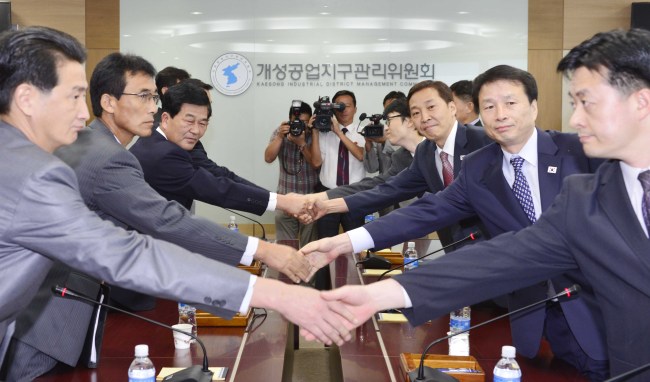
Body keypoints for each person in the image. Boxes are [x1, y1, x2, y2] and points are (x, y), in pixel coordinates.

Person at [0, 26, 354, 380]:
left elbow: (213, 183)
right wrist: (271, 291)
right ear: (27, 98)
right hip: (39, 330)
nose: (83, 111)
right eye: (74, 96)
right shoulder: (48, 170)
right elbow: (136, 247)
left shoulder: (39, 156)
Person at [307, 28, 650, 380]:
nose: (576, 118)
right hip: (565, 332)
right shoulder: (582, 195)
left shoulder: (583, 158)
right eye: (489, 106)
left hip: (601, 324)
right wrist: (380, 292)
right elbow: (506, 255)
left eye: (586, 102)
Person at [304, 81, 492, 249]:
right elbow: (384, 189)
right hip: (455, 247)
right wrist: (325, 203)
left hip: (497, 248)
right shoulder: (425, 153)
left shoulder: (485, 141)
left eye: (431, 107)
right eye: (417, 112)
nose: (425, 117)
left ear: (452, 108)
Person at [129, 83, 306, 217]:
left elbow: (222, 176)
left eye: (203, 123)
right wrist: (282, 202)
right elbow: (219, 189)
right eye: (189, 121)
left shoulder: (163, 140)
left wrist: (278, 198)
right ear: (166, 119)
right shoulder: (163, 154)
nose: (196, 131)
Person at [301, 98, 422, 210]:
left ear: (409, 121)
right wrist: (316, 198)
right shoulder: (400, 157)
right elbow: (374, 184)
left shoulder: (434, 151)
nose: (386, 128)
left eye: (389, 120)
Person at [311, 90, 367, 239]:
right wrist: (315, 132)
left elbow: (361, 155)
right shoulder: (324, 133)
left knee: (356, 242)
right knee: (325, 243)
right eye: (339, 107)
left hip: (354, 194)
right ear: (333, 109)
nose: (344, 110)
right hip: (328, 195)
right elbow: (316, 163)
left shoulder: (363, 132)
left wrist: (338, 133)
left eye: (347, 106)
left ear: (355, 108)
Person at [264, 101, 321, 246]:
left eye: (304, 122)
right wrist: (279, 137)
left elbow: (316, 163)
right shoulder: (280, 132)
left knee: (310, 247)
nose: (300, 126)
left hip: (310, 202)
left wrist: (302, 144)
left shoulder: (314, 134)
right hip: (285, 201)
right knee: (286, 247)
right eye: (296, 122)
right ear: (289, 120)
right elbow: (268, 158)